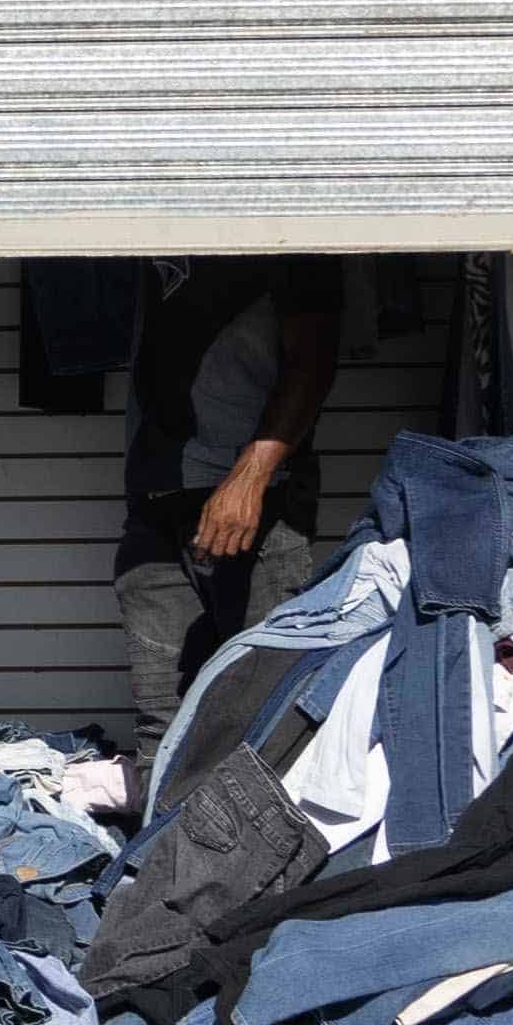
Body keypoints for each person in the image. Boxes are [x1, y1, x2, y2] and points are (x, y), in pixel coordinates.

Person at [115, 254, 342, 730]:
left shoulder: (271, 212)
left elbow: (314, 357)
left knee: (267, 713)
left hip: (256, 506)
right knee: (164, 725)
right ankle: (167, 808)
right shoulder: (141, 215)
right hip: (156, 496)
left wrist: (250, 477)